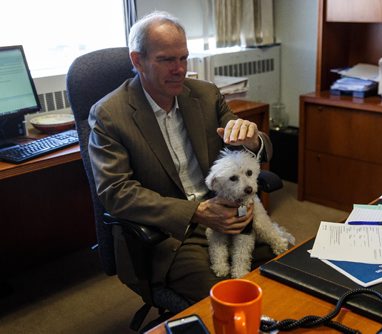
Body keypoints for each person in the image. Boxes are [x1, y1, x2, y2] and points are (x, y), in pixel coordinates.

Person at [87, 10, 277, 304]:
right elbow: (116, 193)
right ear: (137, 61)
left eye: (183, 58)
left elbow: (258, 146)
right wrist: (196, 212)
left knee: (284, 270)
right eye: (166, 59)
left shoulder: (205, 95)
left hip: (229, 214)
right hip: (172, 234)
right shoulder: (110, 115)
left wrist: (252, 140)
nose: (179, 69)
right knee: (226, 300)